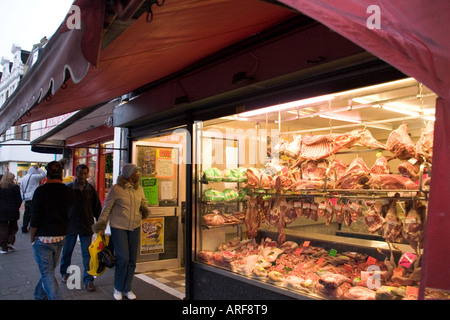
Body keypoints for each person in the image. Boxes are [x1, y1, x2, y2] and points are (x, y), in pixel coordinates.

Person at [92, 163, 149, 300]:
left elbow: (144, 203)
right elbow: (106, 209)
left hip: (134, 226)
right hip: (119, 227)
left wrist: (143, 211)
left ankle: (127, 288)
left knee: (132, 260)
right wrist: (100, 227)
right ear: (129, 174)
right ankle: (118, 287)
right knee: (123, 258)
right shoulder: (115, 189)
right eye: (136, 172)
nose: (138, 175)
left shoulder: (139, 189)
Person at [30, 161, 73, 300]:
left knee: (47, 272)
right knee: (47, 271)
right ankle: (39, 296)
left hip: (43, 238)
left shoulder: (40, 191)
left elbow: (34, 217)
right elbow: (70, 213)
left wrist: (32, 238)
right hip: (60, 236)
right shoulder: (68, 191)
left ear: (47, 174)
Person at [60, 164, 102, 292]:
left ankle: (88, 280)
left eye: (85, 173)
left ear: (88, 174)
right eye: (80, 173)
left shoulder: (91, 190)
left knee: (87, 255)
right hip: (70, 226)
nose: (82, 176)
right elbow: (62, 208)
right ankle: (65, 273)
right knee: (67, 252)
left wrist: (99, 225)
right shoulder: (68, 189)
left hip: (86, 226)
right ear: (76, 174)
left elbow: (97, 209)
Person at [0, 172, 22, 254]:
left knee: (2, 228)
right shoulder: (15, 187)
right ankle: (10, 241)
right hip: (13, 209)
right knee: (13, 226)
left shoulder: (0, 187)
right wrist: (16, 207)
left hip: (2, 210)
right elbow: (19, 200)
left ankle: (4, 247)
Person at [20, 164, 46, 233]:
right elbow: (43, 175)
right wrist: (39, 169)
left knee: (26, 213)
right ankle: (32, 227)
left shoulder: (24, 178)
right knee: (33, 213)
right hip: (33, 197)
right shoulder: (33, 177)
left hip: (26, 197)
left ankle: (24, 227)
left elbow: (22, 188)